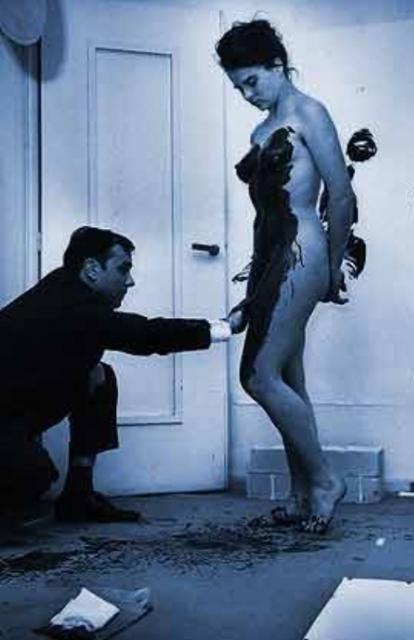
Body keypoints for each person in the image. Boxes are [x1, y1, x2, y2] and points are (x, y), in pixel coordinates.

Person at [216, 19, 356, 533]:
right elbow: (263, 217)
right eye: (238, 87)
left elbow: (340, 195)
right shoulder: (262, 130)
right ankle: (301, 497)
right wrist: (253, 285)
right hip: (270, 252)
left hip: (303, 249)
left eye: (252, 81)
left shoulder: (309, 113)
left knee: (257, 375)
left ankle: (324, 481)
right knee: (288, 377)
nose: (247, 95)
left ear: (277, 65)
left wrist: (334, 268)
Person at [0, 226, 233, 523]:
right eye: (123, 269)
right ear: (92, 269)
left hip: (14, 410)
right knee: (34, 475)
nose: (130, 281)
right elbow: (144, 335)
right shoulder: (73, 305)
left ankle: (78, 497)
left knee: (98, 376)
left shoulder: (65, 288)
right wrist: (222, 328)